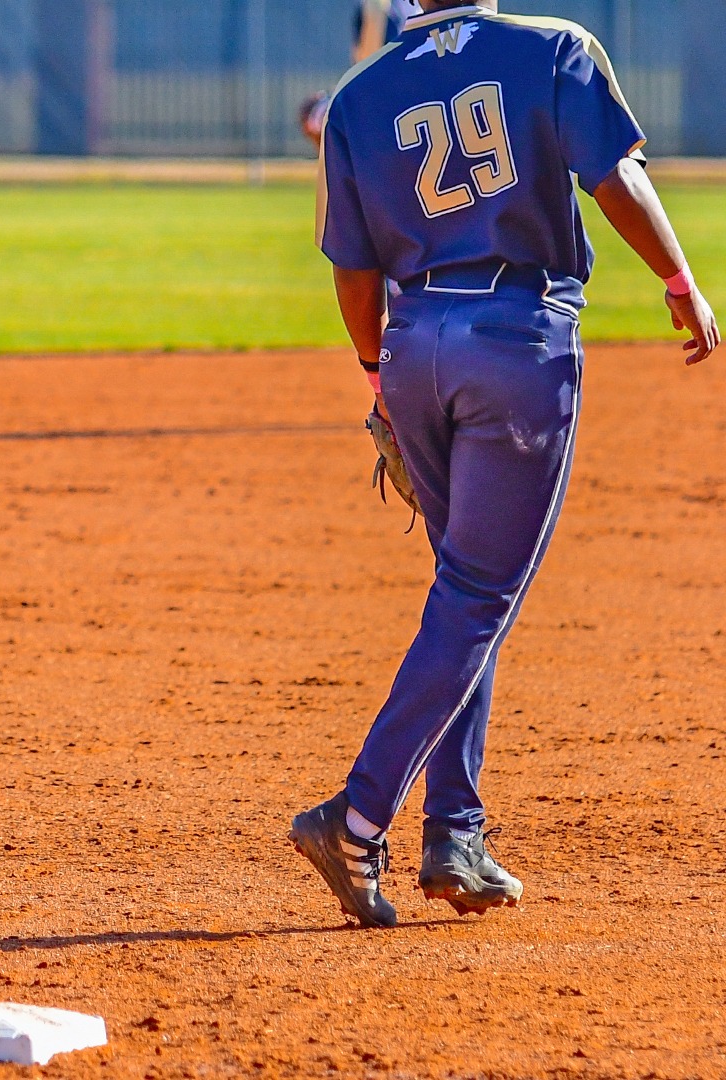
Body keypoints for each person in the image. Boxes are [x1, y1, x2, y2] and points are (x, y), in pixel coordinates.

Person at [293, 0, 718, 928]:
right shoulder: (554, 46)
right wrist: (681, 281)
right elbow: (616, 180)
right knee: (482, 592)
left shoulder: (360, 93)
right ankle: (357, 818)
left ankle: (456, 834)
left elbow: (352, 273)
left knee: (462, 589)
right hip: (517, 345)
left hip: (413, 349)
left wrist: (378, 379)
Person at [303, 0, 424, 150]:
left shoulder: (380, 6)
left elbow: (368, 64)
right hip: (408, 99)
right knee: (315, 112)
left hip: (399, 104)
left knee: (317, 113)